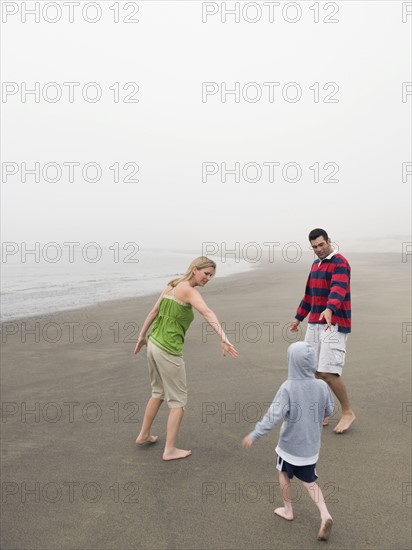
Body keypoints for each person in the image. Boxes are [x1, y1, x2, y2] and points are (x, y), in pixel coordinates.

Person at [134, 256, 238, 461]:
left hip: (153, 344)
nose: (208, 278)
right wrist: (224, 339)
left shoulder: (172, 284)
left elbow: (154, 311)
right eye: (206, 273)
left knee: (158, 392)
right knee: (178, 402)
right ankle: (170, 449)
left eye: (211, 275)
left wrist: (142, 337)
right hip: (167, 349)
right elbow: (207, 313)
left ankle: (143, 434)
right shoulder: (189, 291)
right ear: (195, 269)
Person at [242, 342, 334, 542]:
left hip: (289, 447)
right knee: (310, 482)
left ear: (292, 362)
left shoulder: (288, 387)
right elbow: (329, 411)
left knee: (283, 473)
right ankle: (325, 513)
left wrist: (255, 434)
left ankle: (288, 509)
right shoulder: (321, 385)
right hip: (311, 448)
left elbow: (273, 417)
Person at [289, 228, 356, 433]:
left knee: (329, 371)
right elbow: (309, 294)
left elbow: (338, 287)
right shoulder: (316, 264)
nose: (319, 249)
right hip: (315, 323)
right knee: (315, 371)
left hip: (334, 322)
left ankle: (347, 412)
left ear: (329, 241)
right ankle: (324, 411)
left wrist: (330, 308)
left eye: (321, 244)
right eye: (314, 247)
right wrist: (298, 317)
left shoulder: (339, 262)